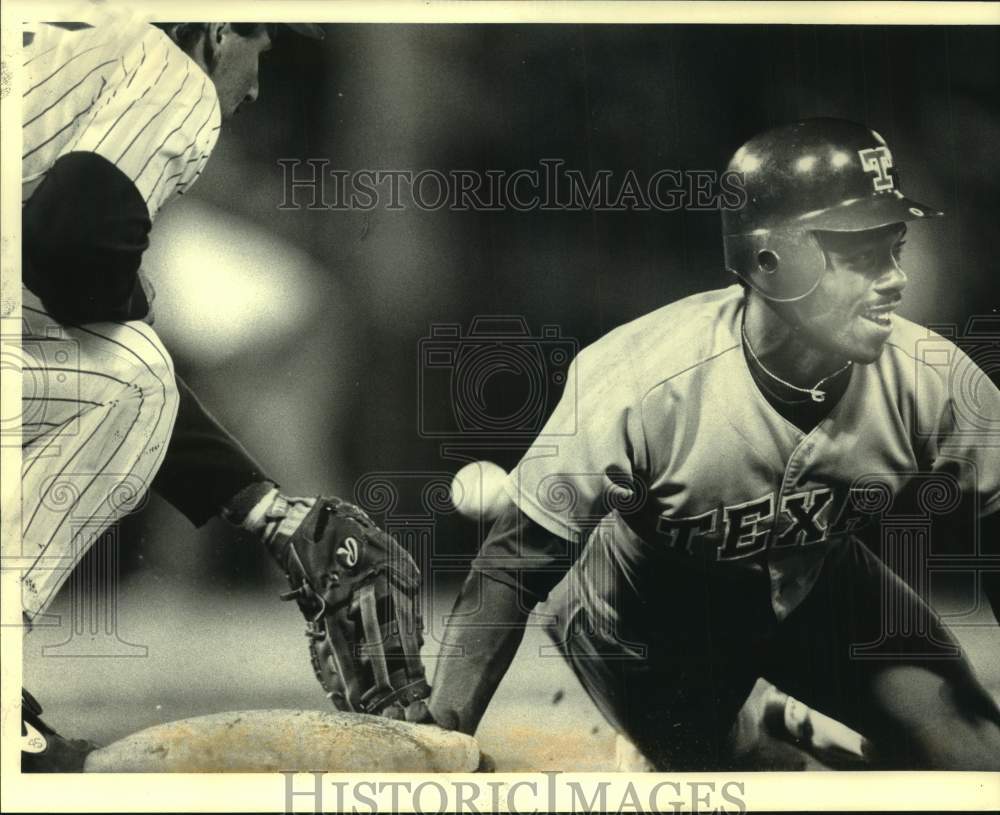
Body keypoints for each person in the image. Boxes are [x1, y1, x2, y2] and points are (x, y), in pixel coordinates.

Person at [426, 118, 1000, 770]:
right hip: (645, 614)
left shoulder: (931, 377)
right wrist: (442, 739)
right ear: (769, 261)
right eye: (863, 254)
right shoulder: (643, 379)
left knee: (978, 758)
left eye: (894, 247)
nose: (895, 278)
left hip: (816, 587)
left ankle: (796, 711)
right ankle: (751, 725)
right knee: (747, 779)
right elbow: (511, 565)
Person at [15, 12, 358, 771]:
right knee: (135, 378)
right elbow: (77, 259)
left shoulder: (66, 53)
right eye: (258, 52)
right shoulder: (168, 80)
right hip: (276, 326)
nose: (258, 85)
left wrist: (259, 501)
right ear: (215, 33)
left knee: (143, 387)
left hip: (282, 325)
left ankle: (272, 561)